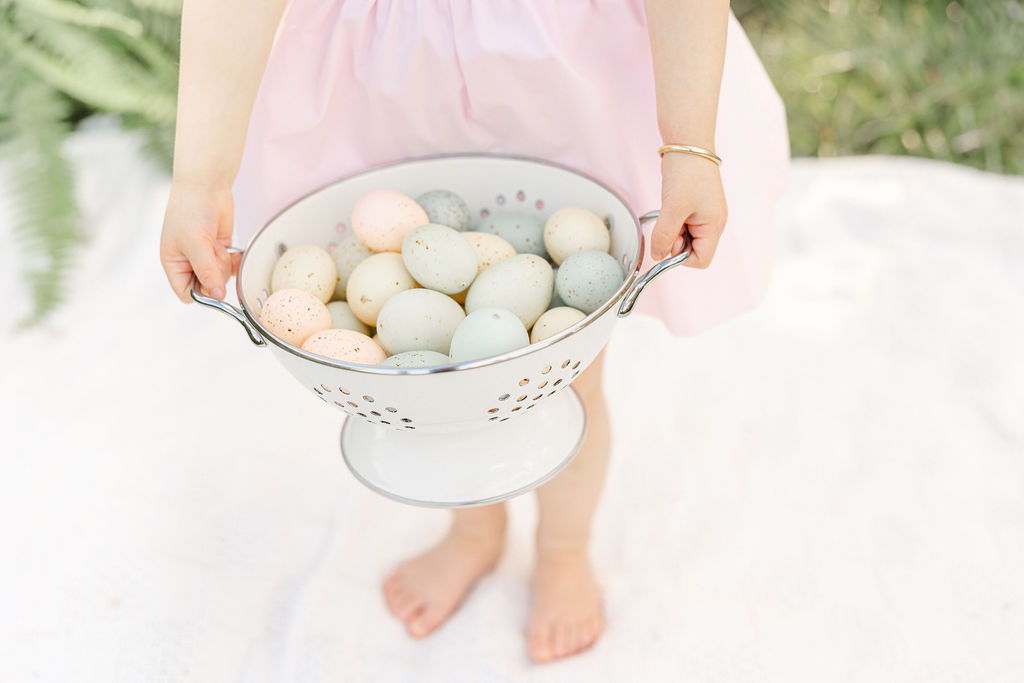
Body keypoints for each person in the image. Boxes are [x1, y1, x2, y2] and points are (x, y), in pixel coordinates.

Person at [160, 0, 789, 663]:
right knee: (429, 360)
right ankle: (475, 528)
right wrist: (200, 178)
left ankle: (563, 549)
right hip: (388, 83)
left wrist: (688, 144)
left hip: (550, 73)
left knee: (561, 360)